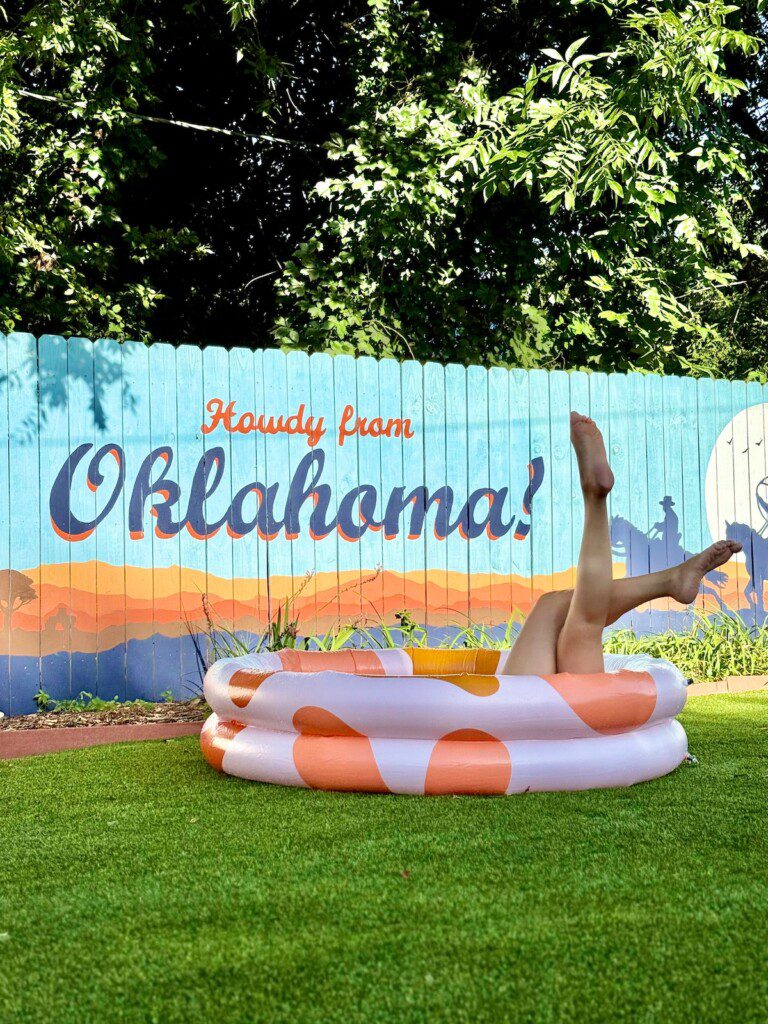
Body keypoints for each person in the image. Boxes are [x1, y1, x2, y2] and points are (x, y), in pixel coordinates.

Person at [504, 413, 742, 676]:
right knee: (574, 618)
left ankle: (670, 577)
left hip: (541, 713)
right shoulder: (669, 516)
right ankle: (597, 500)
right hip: (523, 714)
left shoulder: (669, 517)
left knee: (570, 616)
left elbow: (668, 529)